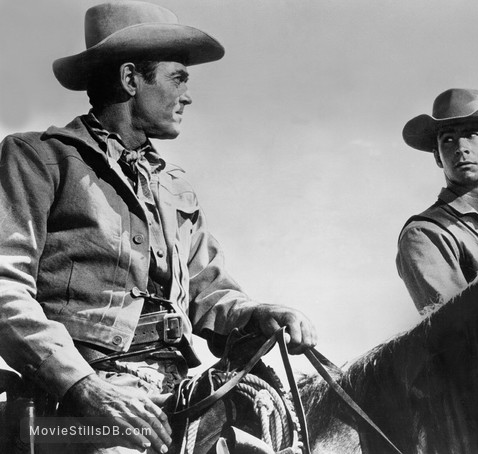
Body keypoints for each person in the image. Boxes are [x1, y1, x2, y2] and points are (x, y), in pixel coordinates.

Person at [0, 2, 316, 453]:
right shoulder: (36, 160)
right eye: (178, 77)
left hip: (175, 395)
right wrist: (83, 386)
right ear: (131, 79)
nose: (187, 96)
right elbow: (4, 289)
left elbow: (210, 293)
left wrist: (257, 314)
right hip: (70, 414)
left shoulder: (174, 186)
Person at [396, 88, 478, 314]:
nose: (460, 148)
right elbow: (458, 331)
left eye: (472, 134)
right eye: (448, 139)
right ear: (438, 156)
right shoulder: (425, 234)